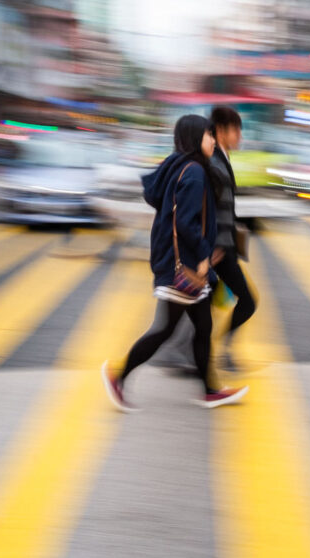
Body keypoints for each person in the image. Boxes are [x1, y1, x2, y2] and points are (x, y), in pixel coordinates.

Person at [102, 114, 249, 411]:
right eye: (209, 136)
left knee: (203, 326)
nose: (213, 140)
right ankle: (118, 377)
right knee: (166, 328)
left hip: (175, 261)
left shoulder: (179, 165)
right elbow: (185, 222)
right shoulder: (194, 172)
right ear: (197, 138)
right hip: (185, 266)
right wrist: (205, 257)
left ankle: (209, 390)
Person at [208, 107, 256, 370]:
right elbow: (207, 208)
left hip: (222, 247)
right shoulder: (215, 163)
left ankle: (200, 353)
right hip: (218, 249)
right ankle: (220, 352)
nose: (240, 136)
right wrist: (213, 244)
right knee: (248, 301)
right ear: (222, 131)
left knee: (206, 303)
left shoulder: (221, 159)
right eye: (236, 130)